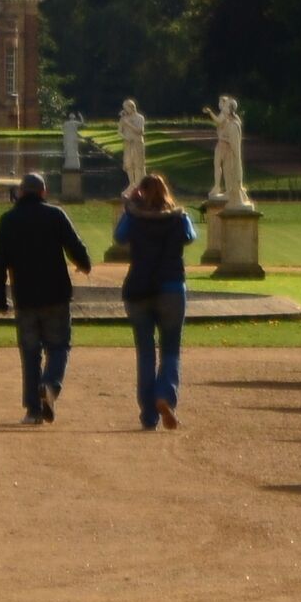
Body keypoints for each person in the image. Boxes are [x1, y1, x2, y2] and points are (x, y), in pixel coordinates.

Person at [0, 171, 93, 423]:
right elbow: (75, 246)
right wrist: (84, 264)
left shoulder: (8, 220)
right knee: (59, 346)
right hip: (55, 294)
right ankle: (50, 385)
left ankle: (33, 410)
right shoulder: (55, 215)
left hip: (25, 296)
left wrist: (0, 300)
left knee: (30, 353)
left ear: (21, 192)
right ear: (44, 192)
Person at [115, 171, 199, 430]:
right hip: (172, 287)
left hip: (139, 288)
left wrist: (129, 205)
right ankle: (165, 395)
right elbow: (191, 236)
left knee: (145, 353)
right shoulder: (179, 218)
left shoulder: (134, 218)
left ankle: (149, 415)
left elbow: (119, 237)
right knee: (171, 349)